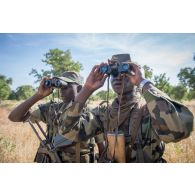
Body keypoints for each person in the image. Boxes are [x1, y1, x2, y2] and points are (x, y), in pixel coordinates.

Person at [58, 54, 194, 163]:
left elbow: (180, 130)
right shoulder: (103, 113)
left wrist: (143, 82)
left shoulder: (150, 110)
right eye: (113, 73)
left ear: (135, 73)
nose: (118, 77)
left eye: (124, 72)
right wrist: (87, 89)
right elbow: (67, 130)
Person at [8, 71, 105, 163]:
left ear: (79, 88)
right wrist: (38, 95)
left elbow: (102, 148)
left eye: (66, 87)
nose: (61, 91)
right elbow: (14, 117)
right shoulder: (52, 109)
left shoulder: (90, 114)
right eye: (60, 87)